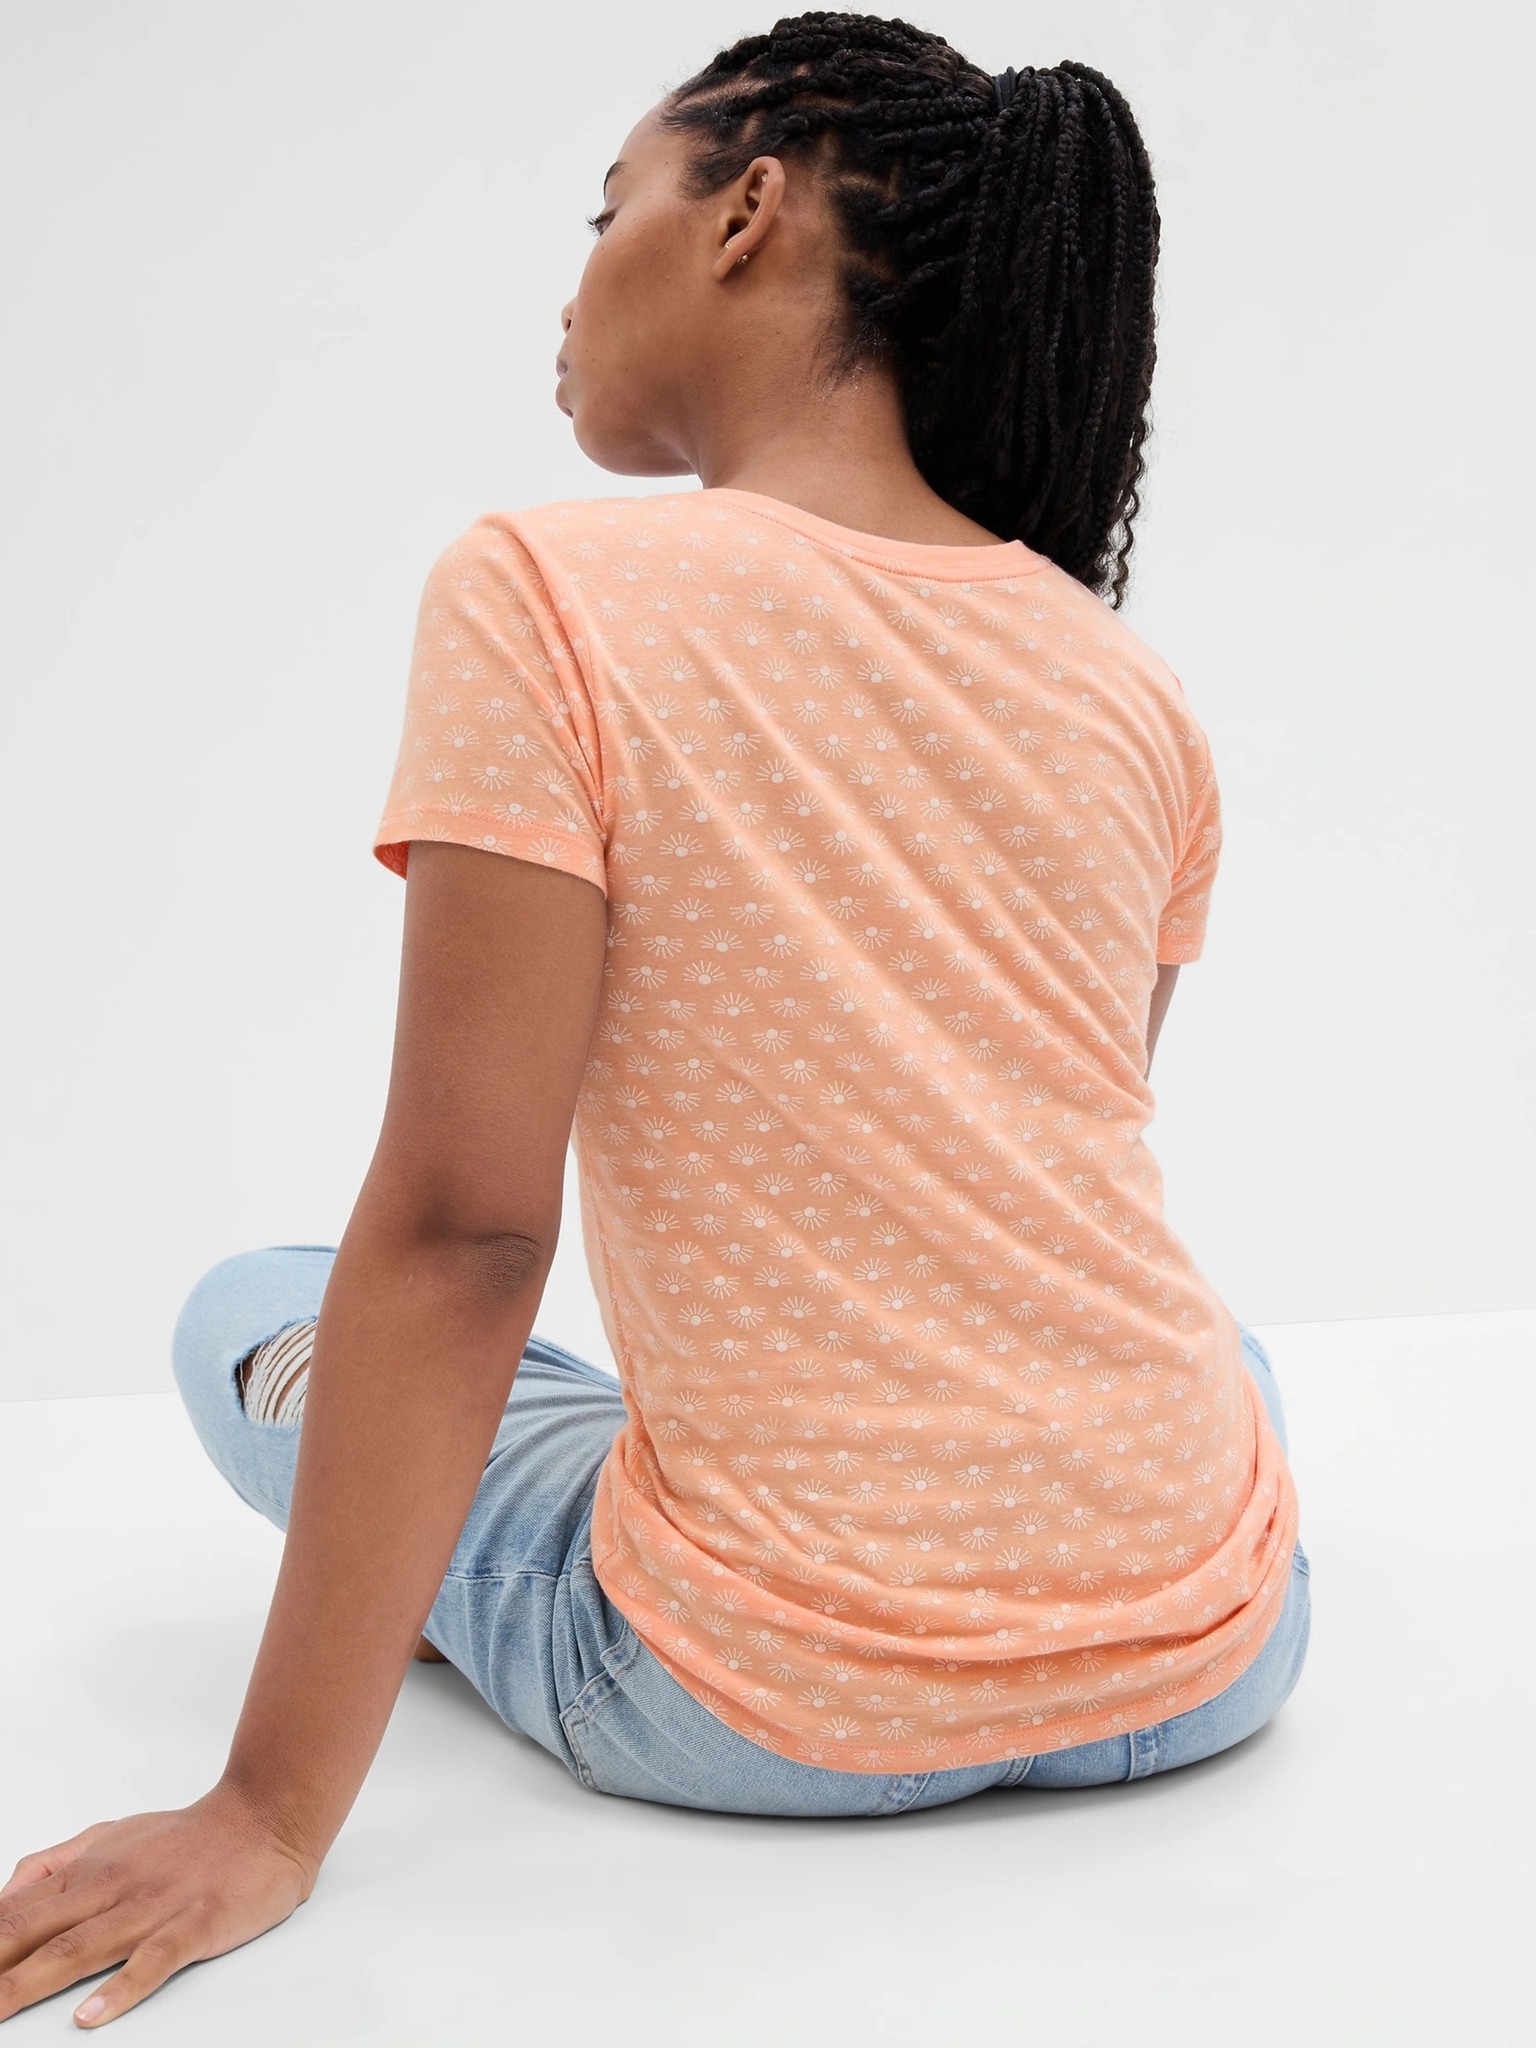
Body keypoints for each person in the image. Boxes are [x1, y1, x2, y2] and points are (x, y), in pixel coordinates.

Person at [0, 13, 1309, 2029]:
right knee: (1210, 1351)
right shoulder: (1127, 682)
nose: (574, 276)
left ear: (749, 210)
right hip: (1215, 1647)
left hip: (767, 1705)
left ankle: (637, 1546)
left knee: (242, 1311)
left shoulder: (548, 591)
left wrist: (261, 1814)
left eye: (607, 205)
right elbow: (1020, 1175)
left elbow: (465, 1234)